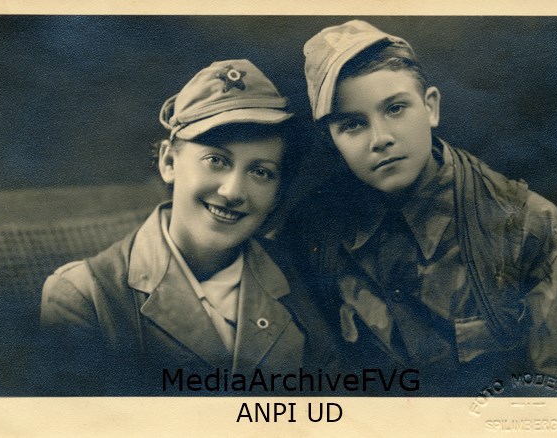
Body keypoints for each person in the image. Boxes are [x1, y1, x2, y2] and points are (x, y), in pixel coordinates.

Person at [280, 20, 557, 396]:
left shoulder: (528, 227)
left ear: (430, 107)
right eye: (352, 124)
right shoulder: (316, 232)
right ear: (332, 140)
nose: (381, 139)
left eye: (396, 108)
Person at [39, 59, 337, 396]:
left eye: (260, 172)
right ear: (169, 162)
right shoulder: (85, 297)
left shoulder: (300, 275)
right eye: (216, 160)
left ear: (276, 192)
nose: (232, 192)